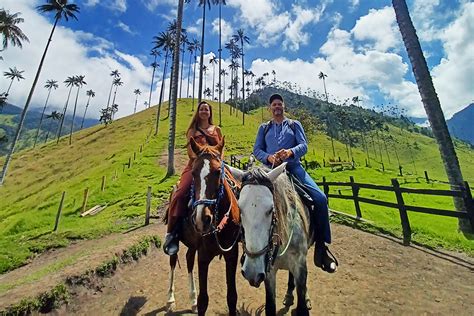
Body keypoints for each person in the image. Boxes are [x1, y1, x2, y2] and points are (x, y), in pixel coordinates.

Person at [253, 93, 338, 273]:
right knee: (250, 200)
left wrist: (290, 152)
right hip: (271, 171)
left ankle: (322, 248)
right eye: (274, 104)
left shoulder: (294, 124)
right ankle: (249, 248)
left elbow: (304, 145)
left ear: (284, 107)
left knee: (321, 199)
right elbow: (257, 150)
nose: (277, 107)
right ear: (270, 108)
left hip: (294, 168)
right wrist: (268, 156)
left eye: (280, 104)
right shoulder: (264, 128)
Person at [163, 101, 222, 255]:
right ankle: (171, 234)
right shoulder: (192, 131)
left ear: (210, 113)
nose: (204, 111)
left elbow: (222, 150)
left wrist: (218, 163)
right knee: (180, 193)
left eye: (206, 109)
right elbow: (191, 152)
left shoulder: (217, 130)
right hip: (195, 166)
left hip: (215, 166)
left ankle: (239, 229)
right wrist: (203, 160)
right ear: (198, 112)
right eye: (202, 109)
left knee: (237, 189)